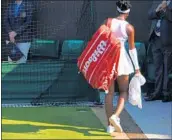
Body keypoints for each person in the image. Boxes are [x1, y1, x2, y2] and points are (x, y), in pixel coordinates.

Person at [104, 0, 141, 133]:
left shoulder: (107, 22)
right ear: (128, 12)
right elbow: (132, 50)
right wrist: (137, 69)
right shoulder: (129, 28)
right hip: (122, 60)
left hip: (108, 60)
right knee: (124, 91)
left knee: (109, 93)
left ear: (117, 10)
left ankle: (109, 125)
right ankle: (116, 116)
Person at [145, 0, 172, 102]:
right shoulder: (157, 1)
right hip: (156, 39)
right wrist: (157, 9)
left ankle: (166, 93)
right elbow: (150, 15)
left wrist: (165, 9)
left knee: (167, 68)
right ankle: (157, 92)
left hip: (168, 41)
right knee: (158, 68)